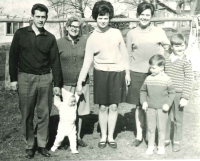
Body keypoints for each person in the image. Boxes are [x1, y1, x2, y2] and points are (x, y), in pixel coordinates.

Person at [9, 3, 62, 159]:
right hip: (25, 77)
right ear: (32, 17)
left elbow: (55, 62)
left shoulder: (50, 38)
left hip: (45, 78)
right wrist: (13, 79)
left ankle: (42, 145)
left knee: (44, 113)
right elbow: (13, 58)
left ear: (46, 18)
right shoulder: (20, 34)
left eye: (43, 17)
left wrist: (57, 84)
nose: (40, 20)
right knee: (27, 113)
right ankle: (30, 145)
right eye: (37, 16)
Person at [77, 0, 131, 149]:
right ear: (95, 18)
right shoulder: (92, 37)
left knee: (113, 106)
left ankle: (110, 137)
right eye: (100, 18)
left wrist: (127, 72)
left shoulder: (116, 33)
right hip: (101, 74)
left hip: (117, 73)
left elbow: (124, 54)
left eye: (106, 18)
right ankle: (103, 137)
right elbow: (87, 62)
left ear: (109, 18)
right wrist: (80, 81)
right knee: (102, 107)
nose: (103, 21)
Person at [126, 1, 170, 147]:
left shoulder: (159, 31)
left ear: (151, 16)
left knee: (155, 104)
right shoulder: (131, 33)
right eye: (142, 14)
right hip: (137, 73)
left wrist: (161, 60)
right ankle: (139, 135)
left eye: (148, 15)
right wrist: (127, 73)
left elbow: (167, 45)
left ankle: (153, 133)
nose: (145, 17)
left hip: (155, 74)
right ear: (138, 15)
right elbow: (128, 54)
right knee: (139, 105)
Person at [57, 16, 90, 147]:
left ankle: (78, 136)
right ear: (67, 27)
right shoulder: (59, 42)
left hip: (82, 83)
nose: (75, 29)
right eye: (72, 27)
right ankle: (65, 137)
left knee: (80, 111)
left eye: (77, 27)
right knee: (67, 111)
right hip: (66, 83)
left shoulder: (85, 41)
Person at [140, 54, 175, 155]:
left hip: (162, 109)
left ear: (161, 67)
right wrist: (144, 102)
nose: (151, 70)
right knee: (150, 127)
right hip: (150, 108)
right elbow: (143, 91)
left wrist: (167, 104)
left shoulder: (167, 79)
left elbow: (172, 93)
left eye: (154, 68)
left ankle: (161, 146)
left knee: (161, 128)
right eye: (150, 67)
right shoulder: (148, 79)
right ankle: (150, 146)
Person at [164, 33, 193, 152]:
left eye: (182, 45)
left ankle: (177, 141)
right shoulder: (166, 60)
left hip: (179, 95)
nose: (180, 48)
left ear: (185, 45)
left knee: (178, 118)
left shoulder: (186, 62)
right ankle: (165, 139)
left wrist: (185, 97)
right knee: (165, 116)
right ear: (171, 47)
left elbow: (189, 79)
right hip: (166, 94)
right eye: (177, 46)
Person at [51, 88, 79, 154]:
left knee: (73, 138)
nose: (73, 103)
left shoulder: (74, 106)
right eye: (71, 102)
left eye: (74, 101)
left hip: (72, 126)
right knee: (59, 138)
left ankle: (73, 149)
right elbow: (56, 102)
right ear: (66, 100)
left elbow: (76, 97)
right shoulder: (62, 105)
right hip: (62, 126)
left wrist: (78, 93)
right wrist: (57, 96)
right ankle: (55, 146)